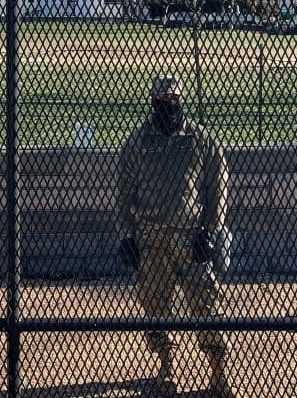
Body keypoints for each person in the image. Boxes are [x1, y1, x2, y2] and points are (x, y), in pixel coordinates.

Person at [115, 75, 235, 397]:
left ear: (182, 102)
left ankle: (218, 374)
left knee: (206, 303)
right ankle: (166, 366)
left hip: (190, 236)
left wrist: (212, 229)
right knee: (153, 305)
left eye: (174, 100)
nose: (169, 106)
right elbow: (124, 192)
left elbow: (217, 186)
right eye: (162, 102)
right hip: (151, 238)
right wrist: (125, 235)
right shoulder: (139, 142)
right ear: (153, 105)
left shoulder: (200, 140)